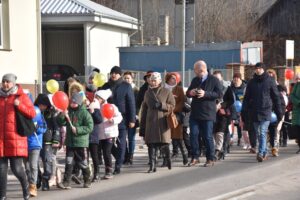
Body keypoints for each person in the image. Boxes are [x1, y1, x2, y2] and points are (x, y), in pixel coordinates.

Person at [0, 73, 36, 200]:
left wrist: (19, 105)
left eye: (7, 82)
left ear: (13, 83)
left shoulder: (21, 96)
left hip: (15, 139)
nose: (5, 84)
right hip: (1, 140)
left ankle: (26, 187)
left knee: (16, 169)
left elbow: (32, 113)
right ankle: (2, 195)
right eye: (3, 81)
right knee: (1, 170)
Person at [241, 63, 283, 162]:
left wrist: (279, 112)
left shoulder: (270, 80)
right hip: (254, 111)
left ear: (263, 69)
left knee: (262, 132)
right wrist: (244, 110)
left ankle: (260, 153)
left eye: (259, 68)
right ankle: (264, 152)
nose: (257, 70)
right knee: (258, 133)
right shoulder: (251, 82)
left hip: (266, 110)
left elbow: (276, 97)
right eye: (256, 68)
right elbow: (246, 98)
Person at [186, 60, 223, 167]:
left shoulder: (214, 80)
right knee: (193, 135)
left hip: (208, 113)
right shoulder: (195, 80)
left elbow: (219, 94)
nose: (195, 73)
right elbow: (188, 93)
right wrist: (191, 92)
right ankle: (195, 157)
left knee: (207, 136)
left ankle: (210, 158)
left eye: (196, 71)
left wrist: (205, 93)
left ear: (202, 69)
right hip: (195, 113)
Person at [101, 66, 136, 175]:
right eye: (112, 73)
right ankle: (120, 157)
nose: (114, 75)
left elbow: (131, 103)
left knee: (121, 142)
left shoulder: (126, 86)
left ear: (120, 74)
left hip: (122, 118)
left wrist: (132, 119)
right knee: (108, 143)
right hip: (107, 118)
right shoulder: (105, 86)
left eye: (116, 73)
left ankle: (118, 165)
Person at [140, 72, 175, 173]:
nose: (153, 82)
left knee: (164, 143)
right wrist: (142, 126)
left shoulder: (166, 91)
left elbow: (172, 105)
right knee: (151, 145)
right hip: (150, 122)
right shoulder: (147, 93)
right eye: (152, 80)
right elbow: (144, 109)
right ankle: (152, 166)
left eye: (155, 80)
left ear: (160, 81)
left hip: (162, 122)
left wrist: (162, 105)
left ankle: (167, 159)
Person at [57, 93, 94, 189]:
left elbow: (90, 127)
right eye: (71, 102)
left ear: (79, 102)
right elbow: (61, 122)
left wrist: (78, 130)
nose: (72, 104)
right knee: (68, 162)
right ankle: (66, 182)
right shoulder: (68, 110)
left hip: (80, 143)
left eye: (74, 102)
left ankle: (87, 179)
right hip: (70, 142)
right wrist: (62, 115)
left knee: (82, 162)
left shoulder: (85, 113)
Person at [94, 89, 123, 179]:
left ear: (102, 99)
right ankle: (119, 159)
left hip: (110, 133)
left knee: (107, 152)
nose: (95, 99)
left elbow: (119, 116)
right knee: (103, 152)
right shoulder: (95, 107)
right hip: (100, 134)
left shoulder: (111, 106)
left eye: (97, 98)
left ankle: (109, 171)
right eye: (95, 97)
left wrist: (113, 120)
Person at [25, 95, 48, 197]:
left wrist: (37, 127)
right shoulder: (22, 113)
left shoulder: (38, 113)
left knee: (33, 166)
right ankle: (29, 184)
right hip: (24, 144)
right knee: (26, 167)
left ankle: (33, 186)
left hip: (35, 143)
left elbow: (44, 128)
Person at [164, 72, 188, 166]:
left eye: (174, 79)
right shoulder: (163, 89)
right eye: (171, 78)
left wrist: (173, 109)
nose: (173, 80)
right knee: (165, 139)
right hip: (165, 116)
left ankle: (185, 156)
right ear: (167, 79)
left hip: (176, 116)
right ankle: (166, 159)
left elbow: (182, 102)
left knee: (178, 137)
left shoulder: (179, 89)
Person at [212, 71, 235, 160]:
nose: (216, 80)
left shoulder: (226, 88)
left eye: (218, 78)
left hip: (223, 114)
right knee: (214, 132)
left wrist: (221, 105)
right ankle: (220, 149)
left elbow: (231, 100)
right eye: (215, 78)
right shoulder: (210, 87)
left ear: (221, 78)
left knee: (220, 133)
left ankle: (217, 150)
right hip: (212, 113)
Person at [266, 69, 287, 157]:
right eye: (268, 75)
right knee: (266, 132)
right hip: (266, 114)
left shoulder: (279, 89)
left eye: (272, 75)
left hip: (276, 114)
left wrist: (280, 115)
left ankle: (275, 147)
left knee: (275, 131)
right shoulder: (264, 88)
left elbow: (282, 103)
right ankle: (267, 147)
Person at [123, 71, 139, 165]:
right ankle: (125, 156)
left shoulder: (136, 90)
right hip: (123, 117)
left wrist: (136, 115)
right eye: (125, 78)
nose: (126, 80)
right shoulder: (121, 88)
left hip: (133, 116)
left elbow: (138, 104)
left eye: (128, 78)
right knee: (123, 137)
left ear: (132, 79)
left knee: (131, 137)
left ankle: (131, 155)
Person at [291, 73, 300, 153]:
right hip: (297, 111)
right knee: (297, 130)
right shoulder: (297, 85)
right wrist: (298, 102)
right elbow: (292, 95)